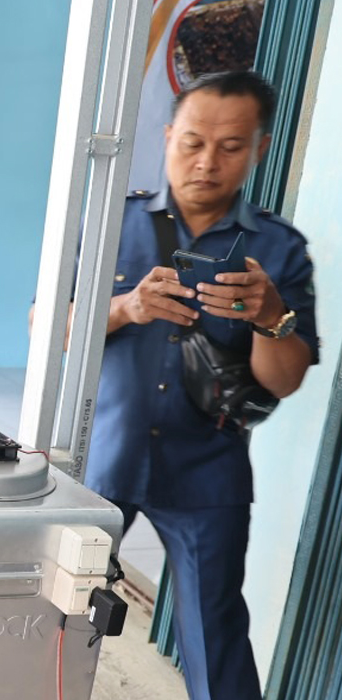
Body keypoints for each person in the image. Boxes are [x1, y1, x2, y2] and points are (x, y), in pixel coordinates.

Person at [86, 70, 317, 700]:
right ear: (168, 136)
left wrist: (272, 318)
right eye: (192, 142)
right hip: (101, 460)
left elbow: (287, 380)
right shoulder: (112, 222)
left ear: (259, 148)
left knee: (215, 639)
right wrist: (124, 308)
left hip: (206, 473)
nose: (208, 162)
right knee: (48, 616)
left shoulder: (278, 249)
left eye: (231, 147)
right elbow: (41, 327)